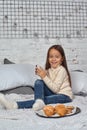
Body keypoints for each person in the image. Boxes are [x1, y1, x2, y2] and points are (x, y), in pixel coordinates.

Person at [0, 44, 73, 111]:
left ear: (62, 59)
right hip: (54, 93)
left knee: (46, 99)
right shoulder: (49, 70)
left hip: (64, 96)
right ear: (48, 58)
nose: (53, 59)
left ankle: (15, 105)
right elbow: (48, 85)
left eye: (57, 57)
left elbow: (56, 89)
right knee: (38, 82)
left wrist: (44, 76)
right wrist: (42, 75)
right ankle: (39, 101)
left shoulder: (62, 70)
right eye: (51, 56)